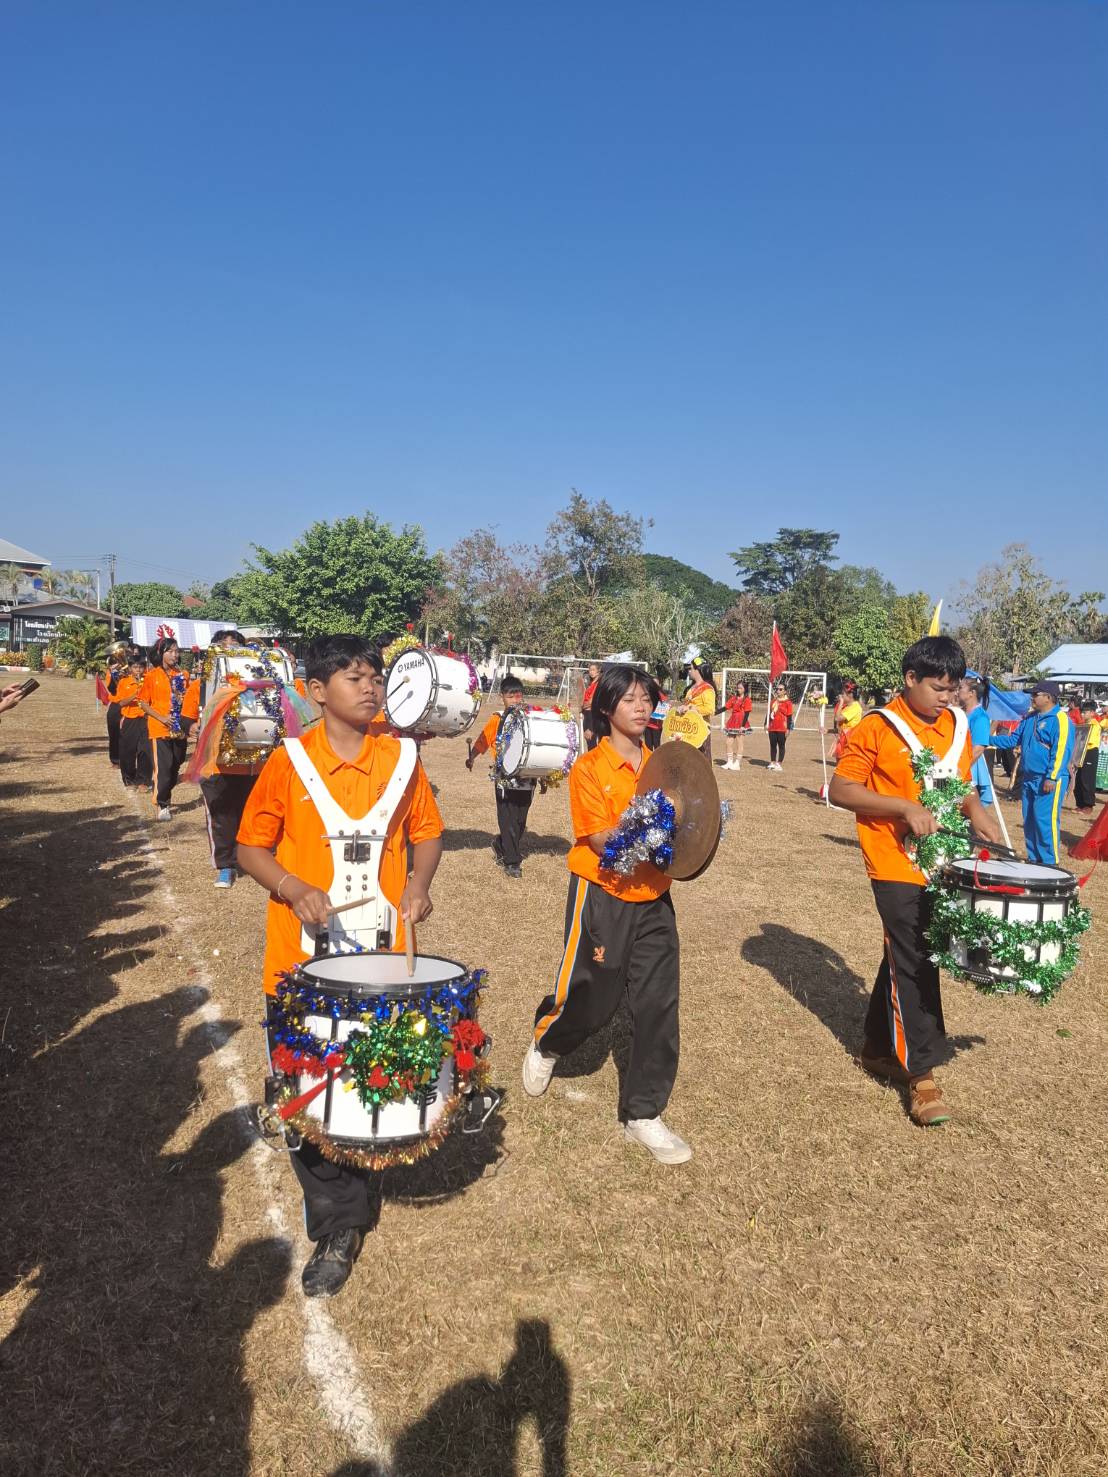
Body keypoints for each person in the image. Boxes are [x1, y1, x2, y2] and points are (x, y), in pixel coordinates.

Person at [237, 635, 442, 1298]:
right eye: (353, 677)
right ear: (317, 691)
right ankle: (338, 1224)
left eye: (375, 675)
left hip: (381, 954)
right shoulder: (288, 762)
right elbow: (250, 847)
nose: (370, 686)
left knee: (370, 1074)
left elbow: (427, 831)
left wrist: (418, 884)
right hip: (300, 960)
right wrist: (292, 887)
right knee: (309, 1089)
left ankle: (360, 1172)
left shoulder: (401, 757)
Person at [828, 636, 1002, 1128]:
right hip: (893, 861)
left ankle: (877, 1047)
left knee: (908, 951)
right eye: (938, 688)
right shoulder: (876, 727)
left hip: (943, 859)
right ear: (910, 679)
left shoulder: (957, 724)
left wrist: (977, 812)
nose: (947, 697)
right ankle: (921, 1075)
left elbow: (959, 784)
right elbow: (841, 788)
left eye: (953, 689)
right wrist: (904, 808)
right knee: (917, 954)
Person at [522, 663, 691, 1165]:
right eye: (630, 699)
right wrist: (654, 826)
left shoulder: (663, 767)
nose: (641, 707)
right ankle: (548, 1042)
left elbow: (689, 826)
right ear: (606, 708)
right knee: (593, 998)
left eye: (647, 698)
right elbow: (600, 840)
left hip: (654, 899)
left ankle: (643, 1112)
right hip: (601, 893)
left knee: (658, 1003)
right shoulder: (589, 769)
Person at [197, 630, 265, 889]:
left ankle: (250, 859)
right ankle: (225, 865)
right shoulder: (206, 684)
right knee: (222, 817)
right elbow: (192, 716)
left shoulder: (259, 687)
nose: (230, 651)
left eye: (235, 646)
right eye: (224, 647)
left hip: (251, 765)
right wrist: (194, 724)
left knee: (250, 815)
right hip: (218, 765)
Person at [991, 680, 1075, 865]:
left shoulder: (1060, 720)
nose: (1032, 698)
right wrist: (985, 739)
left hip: (1048, 779)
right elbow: (1012, 740)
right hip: (1029, 777)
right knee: (1029, 819)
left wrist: (1052, 777)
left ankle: (1050, 863)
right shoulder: (1030, 718)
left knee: (1044, 820)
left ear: (1048, 697)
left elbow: (1061, 751)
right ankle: (1034, 859)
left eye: (1036, 694)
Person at [465, 675, 532, 878]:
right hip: (504, 777)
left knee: (520, 821)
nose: (514, 700)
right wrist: (472, 756)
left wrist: (544, 777)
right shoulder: (498, 718)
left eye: (517, 696)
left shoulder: (528, 718)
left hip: (526, 778)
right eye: (510, 696)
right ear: (502, 696)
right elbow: (483, 740)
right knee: (508, 819)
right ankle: (512, 862)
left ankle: (501, 843)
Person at [136, 638, 201, 820]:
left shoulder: (183, 675)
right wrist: (162, 718)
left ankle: (164, 791)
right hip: (159, 729)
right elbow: (143, 703)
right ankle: (162, 804)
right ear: (160, 653)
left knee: (174, 766)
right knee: (163, 769)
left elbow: (190, 700)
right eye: (170, 651)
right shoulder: (151, 676)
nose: (175, 655)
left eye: (176, 651)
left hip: (179, 729)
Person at [111, 649, 153, 789]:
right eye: (135, 667)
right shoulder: (124, 682)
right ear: (129, 668)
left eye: (141, 667)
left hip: (146, 718)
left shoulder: (148, 680)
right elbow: (121, 703)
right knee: (128, 751)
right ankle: (128, 779)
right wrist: (135, 695)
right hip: (130, 719)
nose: (138, 670)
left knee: (145, 750)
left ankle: (143, 781)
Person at [957, 676, 994, 808]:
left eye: (960, 688)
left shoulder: (980, 717)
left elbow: (978, 749)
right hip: (955, 768)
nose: (957, 691)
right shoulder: (959, 713)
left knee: (964, 812)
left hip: (968, 772)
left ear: (971, 693)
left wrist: (961, 769)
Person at [1072, 699, 1102, 814]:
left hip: (1090, 752)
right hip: (1081, 752)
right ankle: (1080, 804)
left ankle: (1088, 805)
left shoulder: (1095, 726)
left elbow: (1088, 741)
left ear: (1092, 713)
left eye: (1085, 712)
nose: (1082, 714)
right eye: (1082, 712)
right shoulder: (1083, 725)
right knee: (1079, 778)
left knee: (1087, 779)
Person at [104, 640, 129, 768]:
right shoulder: (111, 671)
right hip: (117, 702)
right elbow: (112, 690)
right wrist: (114, 674)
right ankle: (115, 759)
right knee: (114, 731)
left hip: (131, 702)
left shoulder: (133, 668)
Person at [722, 680, 752, 770]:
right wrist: (715, 712)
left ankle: (737, 763)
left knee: (740, 743)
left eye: (740, 688)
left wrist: (743, 726)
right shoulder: (734, 698)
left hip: (741, 721)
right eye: (738, 688)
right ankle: (729, 762)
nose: (738, 689)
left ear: (744, 689)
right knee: (728, 742)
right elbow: (726, 707)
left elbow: (747, 713)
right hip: (733, 721)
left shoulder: (747, 700)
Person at [832, 681, 863, 761]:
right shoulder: (846, 707)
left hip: (849, 741)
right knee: (839, 764)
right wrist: (828, 730)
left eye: (843, 694)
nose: (841, 696)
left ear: (850, 695)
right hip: (842, 740)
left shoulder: (855, 707)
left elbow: (837, 718)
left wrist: (841, 702)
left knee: (844, 764)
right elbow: (841, 727)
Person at [766, 684, 793, 770]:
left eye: (781, 689)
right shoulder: (773, 701)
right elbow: (769, 713)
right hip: (772, 726)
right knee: (772, 745)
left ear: (785, 691)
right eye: (777, 689)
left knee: (781, 745)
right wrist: (766, 723)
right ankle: (772, 762)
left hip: (782, 727)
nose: (778, 691)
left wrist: (788, 729)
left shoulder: (788, 702)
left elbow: (789, 716)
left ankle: (779, 763)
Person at [581, 663, 601, 751]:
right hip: (587, 713)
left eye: (593, 670)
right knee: (589, 740)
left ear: (598, 671)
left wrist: (582, 706)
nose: (591, 672)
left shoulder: (598, 684)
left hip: (592, 714)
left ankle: (595, 758)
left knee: (591, 739)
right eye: (590, 670)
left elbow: (591, 702)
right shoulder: (591, 683)